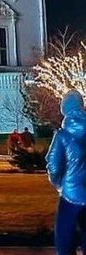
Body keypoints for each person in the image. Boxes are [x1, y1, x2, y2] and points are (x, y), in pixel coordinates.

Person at [46, 90, 86, 255]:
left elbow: (53, 166)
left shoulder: (62, 135)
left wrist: (59, 184)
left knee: (64, 238)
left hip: (70, 194)